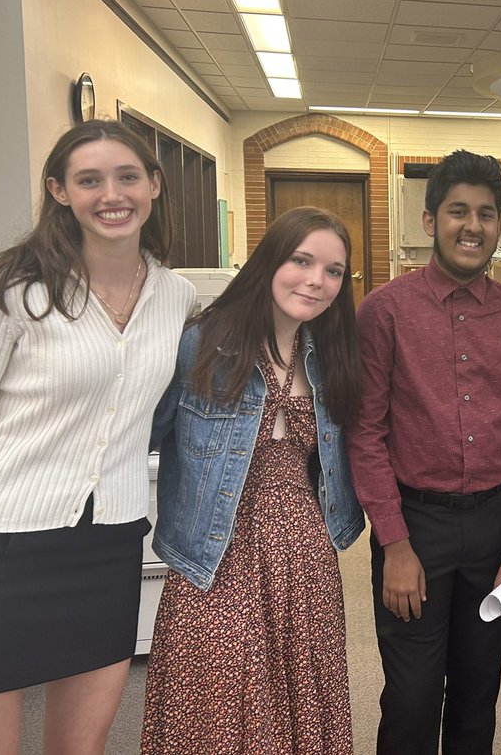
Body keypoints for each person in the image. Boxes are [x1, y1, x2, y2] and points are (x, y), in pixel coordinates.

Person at [0, 120, 194, 755]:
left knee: (81, 746)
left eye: (128, 176)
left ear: (155, 186)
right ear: (60, 192)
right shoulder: (5, 292)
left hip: (108, 542)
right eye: (89, 180)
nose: (112, 194)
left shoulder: (176, 295)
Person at [350, 150, 501, 755]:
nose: (473, 226)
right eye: (458, 212)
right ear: (429, 221)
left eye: (487, 214)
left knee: (477, 694)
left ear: (499, 225)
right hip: (415, 527)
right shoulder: (385, 312)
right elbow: (366, 433)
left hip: (496, 530)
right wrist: (393, 543)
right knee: (412, 699)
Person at [140, 206, 365, 753]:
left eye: (333, 271)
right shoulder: (201, 343)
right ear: (269, 263)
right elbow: (140, 433)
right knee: (219, 704)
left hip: (306, 557)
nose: (316, 280)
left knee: (298, 703)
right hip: (219, 551)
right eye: (301, 261)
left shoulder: (330, 352)